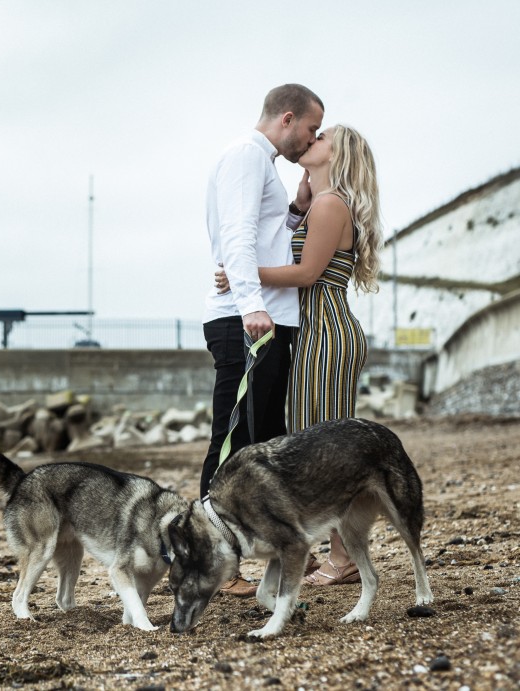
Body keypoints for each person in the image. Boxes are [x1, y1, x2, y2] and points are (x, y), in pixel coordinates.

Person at [215, 124, 384, 587]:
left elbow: (307, 273)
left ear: (338, 154)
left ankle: (344, 558)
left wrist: (242, 271)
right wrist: (299, 203)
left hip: (325, 332)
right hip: (320, 331)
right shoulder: (322, 203)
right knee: (321, 442)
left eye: (321, 137)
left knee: (328, 450)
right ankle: (340, 553)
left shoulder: (332, 205)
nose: (312, 140)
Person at [201, 84, 324, 596]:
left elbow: (268, 232)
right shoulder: (246, 157)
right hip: (246, 321)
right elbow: (238, 233)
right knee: (232, 442)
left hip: (264, 317)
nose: (311, 139)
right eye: (311, 129)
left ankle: (275, 546)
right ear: (288, 118)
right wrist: (251, 303)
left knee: (268, 440)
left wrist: (295, 211)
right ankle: (213, 561)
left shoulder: (264, 165)